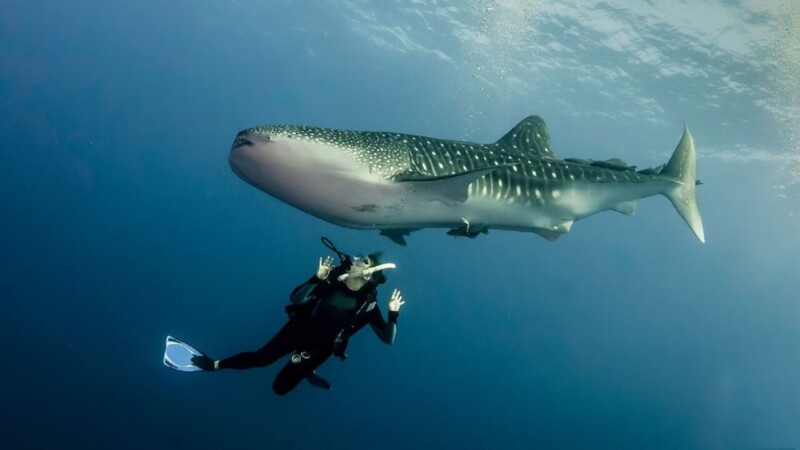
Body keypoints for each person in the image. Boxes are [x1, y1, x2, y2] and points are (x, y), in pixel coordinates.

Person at [163, 238, 405, 395]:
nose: (354, 258)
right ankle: (213, 364)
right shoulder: (331, 279)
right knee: (261, 359)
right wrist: (317, 279)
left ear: (369, 274)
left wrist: (393, 314)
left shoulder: (367, 305)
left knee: (279, 389)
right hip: (299, 329)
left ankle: (306, 371)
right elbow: (296, 299)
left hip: (319, 348)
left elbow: (388, 339)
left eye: (363, 260)